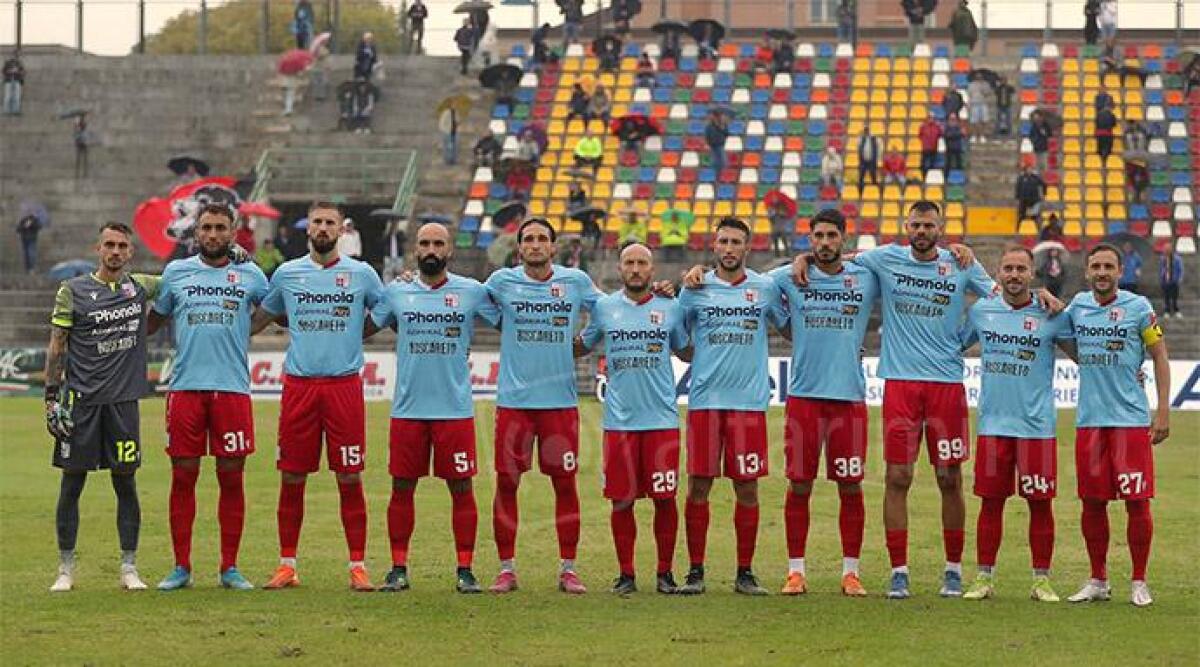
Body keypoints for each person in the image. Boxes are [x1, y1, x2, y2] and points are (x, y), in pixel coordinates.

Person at [788, 202, 1057, 600]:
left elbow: (1002, 296)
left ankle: (952, 571)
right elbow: (836, 256)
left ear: (940, 228)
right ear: (906, 226)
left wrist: (1038, 293)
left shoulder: (960, 262)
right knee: (899, 477)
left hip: (946, 385)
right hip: (899, 385)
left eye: (929, 225)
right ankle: (899, 571)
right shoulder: (885, 258)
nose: (921, 231)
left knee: (950, 478)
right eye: (915, 224)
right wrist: (805, 255)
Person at [252, 201, 385, 592]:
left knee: (349, 475)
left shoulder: (362, 274)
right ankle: (287, 564)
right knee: (292, 476)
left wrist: (353, 336)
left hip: (344, 386)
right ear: (307, 229)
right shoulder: (288, 274)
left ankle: (358, 565)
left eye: (330, 223)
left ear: (341, 230)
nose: (323, 228)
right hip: (300, 386)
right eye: (317, 223)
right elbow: (264, 316)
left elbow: (386, 310)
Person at [364, 223, 499, 594]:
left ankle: (465, 569)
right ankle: (398, 567)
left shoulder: (472, 292)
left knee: (461, 488)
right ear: (414, 250)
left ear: (450, 250)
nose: (431, 249)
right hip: (408, 410)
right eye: (424, 243)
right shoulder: (396, 292)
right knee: (401, 488)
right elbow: (363, 327)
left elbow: (511, 319)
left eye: (438, 243)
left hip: (454, 410)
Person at [146, 205, 269, 592]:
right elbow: (154, 320)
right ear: (195, 234)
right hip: (184, 389)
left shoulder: (250, 274)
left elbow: (277, 306)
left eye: (219, 228)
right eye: (206, 228)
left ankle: (229, 567)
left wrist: (246, 329)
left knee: (231, 478)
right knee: (183, 477)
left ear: (232, 233)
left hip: (232, 389)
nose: (212, 234)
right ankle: (181, 566)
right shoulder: (176, 273)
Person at [483, 218, 601, 594]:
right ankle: (506, 569)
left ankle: (568, 569)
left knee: (565, 485)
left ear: (553, 247)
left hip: (560, 404)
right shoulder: (501, 282)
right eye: (528, 239)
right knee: (506, 483)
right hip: (515, 404)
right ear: (520, 249)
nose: (535, 245)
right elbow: (472, 302)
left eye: (542, 239)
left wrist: (586, 341)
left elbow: (611, 310)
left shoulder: (575, 282)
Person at [44, 222, 161, 592]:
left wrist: (236, 257)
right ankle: (65, 569)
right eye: (108, 244)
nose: (114, 251)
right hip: (81, 404)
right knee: (71, 484)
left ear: (130, 252)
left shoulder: (140, 286)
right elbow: (57, 345)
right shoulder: (72, 291)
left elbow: (185, 275)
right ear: (98, 248)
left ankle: (129, 568)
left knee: (125, 483)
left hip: (123, 406)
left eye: (121, 246)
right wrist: (51, 399)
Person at [766, 209, 878, 596]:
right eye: (818, 236)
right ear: (809, 240)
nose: (825, 242)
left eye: (832, 235)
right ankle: (795, 571)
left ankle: (851, 572)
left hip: (848, 399)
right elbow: (748, 284)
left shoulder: (865, 274)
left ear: (843, 239)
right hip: (804, 399)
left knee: (851, 486)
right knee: (799, 485)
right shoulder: (789, 276)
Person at [676, 218, 787, 596]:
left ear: (747, 247)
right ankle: (695, 572)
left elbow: (789, 326)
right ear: (713, 246)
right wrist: (706, 358)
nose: (728, 248)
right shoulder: (694, 289)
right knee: (698, 487)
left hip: (748, 404)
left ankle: (745, 572)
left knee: (747, 487)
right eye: (722, 241)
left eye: (735, 242)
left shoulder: (765, 288)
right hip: (705, 401)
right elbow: (677, 338)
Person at [959, 246, 1076, 602]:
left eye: (1020, 269)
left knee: (1040, 504)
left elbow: (1082, 355)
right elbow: (953, 346)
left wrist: (1129, 367)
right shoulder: (981, 311)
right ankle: (983, 577)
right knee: (990, 503)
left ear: (1032, 274)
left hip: (1037, 427)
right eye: (1007, 268)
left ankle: (1041, 579)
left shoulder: (1051, 314)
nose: (1014, 275)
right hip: (993, 425)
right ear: (998, 273)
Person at [574, 244, 693, 594]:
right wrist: (544, 340)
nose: (636, 269)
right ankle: (626, 574)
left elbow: (686, 349)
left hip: (661, 422)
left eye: (642, 263)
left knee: (664, 499)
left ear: (652, 270)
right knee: (621, 500)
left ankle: (664, 573)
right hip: (619, 424)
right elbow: (583, 344)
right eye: (630, 263)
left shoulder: (669, 308)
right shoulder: (604, 308)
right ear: (620, 268)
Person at [1065, 242, 1170, 608]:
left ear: (1120, 271)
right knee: (1092, 502)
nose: (1102, 272)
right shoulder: (1077, 306)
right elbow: (1060, 336)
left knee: (1137, 503)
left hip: (1129, 422)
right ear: (1087, 271)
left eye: (1109, 266)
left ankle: (1139, 581)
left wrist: (1162, 412)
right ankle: (1098, 579)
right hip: (1090, 422)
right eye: (1096, 266)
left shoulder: (1138, 308)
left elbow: (1159, 355)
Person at [1159, 245, 1183, 318]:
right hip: (1165, 281)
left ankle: (1176, 311)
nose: (1167, 251)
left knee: (1174, 297)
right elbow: (1160, 269)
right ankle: (1167, 311)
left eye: (1168, 249)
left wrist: (1179, 278)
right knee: (1166, 297)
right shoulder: (1162, 259)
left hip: (1174, 280)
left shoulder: (1177, 259)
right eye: (1165, 249)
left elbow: (1180, 269)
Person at [967, 78, 990, 143]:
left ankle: (982, 135)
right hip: (974, 104)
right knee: (974, 121)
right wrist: (969, 104)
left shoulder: (985, 84)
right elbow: (969, 94)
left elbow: (988, 93)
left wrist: (983, 90)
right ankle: (974, 135)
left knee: (984, 120)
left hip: (983, 103)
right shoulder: (971, 85)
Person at [3, 50, 23, 115]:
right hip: (8, 81)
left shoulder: (19, 63)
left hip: (17, 81)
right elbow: (4, 71)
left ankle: (16, 111)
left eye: (17, 55)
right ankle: (6, 111)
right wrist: (10, 71)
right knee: (8, 96)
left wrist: (18, 72)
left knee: (17, 96)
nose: (16, 56)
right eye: (15, 55)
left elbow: (23, 72)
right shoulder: (7, 63)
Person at [74, 114, 89, 179]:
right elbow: (76, 136)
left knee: (83, 159)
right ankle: (78, 173)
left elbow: (84, 128)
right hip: (80, 144)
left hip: (83, 144)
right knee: (79, 159)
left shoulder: (82, 126)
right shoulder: (78, 127)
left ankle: (84, 173)